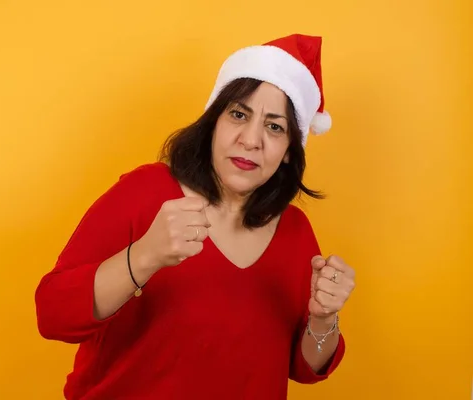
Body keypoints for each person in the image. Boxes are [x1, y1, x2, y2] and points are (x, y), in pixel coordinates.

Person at [34, 33, 356, 400]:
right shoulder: (145, 192)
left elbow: (305, 368)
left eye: (274, 126)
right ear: (213, 122)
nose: (251, 140)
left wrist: (324, 317)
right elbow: (53, 314)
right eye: (238, 114)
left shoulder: (296, 232)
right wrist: (143, 257)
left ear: (288, 151)